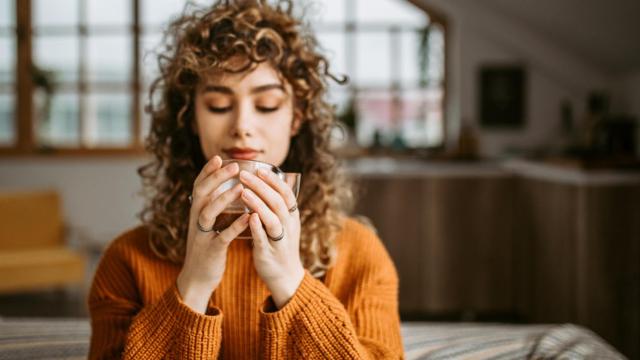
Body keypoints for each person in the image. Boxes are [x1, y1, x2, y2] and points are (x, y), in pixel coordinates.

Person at [88, 0, 403, 358]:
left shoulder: (358, 255)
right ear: (191, 119)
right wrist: (193, 283)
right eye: (219, 106)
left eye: (267, 104)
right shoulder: (127, 261)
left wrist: (290, 281)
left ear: (296, 118)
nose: (242, 127)